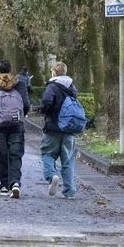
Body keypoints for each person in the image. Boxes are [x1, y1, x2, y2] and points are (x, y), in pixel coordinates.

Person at [0, 59, 30, 198]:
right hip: (17, 125)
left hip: (0, 127)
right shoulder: (20, 85)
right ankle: (15, 182)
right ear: (11, 70)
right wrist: (20, 117)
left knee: (1, 156)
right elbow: (26, 104)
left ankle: (4, 185)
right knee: (16, 155)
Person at [39, 62, 79, 198]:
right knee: (68, 160)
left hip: (53, 128)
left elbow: (46, 101)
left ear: (54, 73)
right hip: (68, 129)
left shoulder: (52, 86)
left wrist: (44, 111)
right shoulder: (72, 87)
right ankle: (70, 191)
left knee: (47, 155)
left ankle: (52, 176)